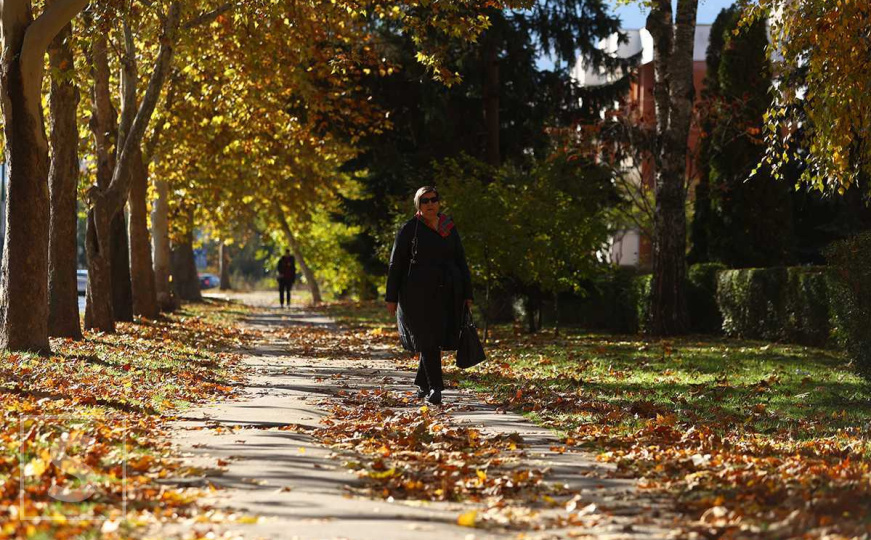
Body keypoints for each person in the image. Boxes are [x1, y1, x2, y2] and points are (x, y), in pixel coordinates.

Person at [386, 186, 473, 405]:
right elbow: (396, 264)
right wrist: (391, 297)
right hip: (416, 295)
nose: (430, 204)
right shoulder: (410, 229)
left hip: (448, 293)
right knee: (427, 338)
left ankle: (423, 383)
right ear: (418, 205)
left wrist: (468, 293)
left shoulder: (448, 227)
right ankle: (436, 387)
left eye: (433, 199)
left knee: (435, 339)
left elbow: (461, 260)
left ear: (439, 202)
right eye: (425, 201)